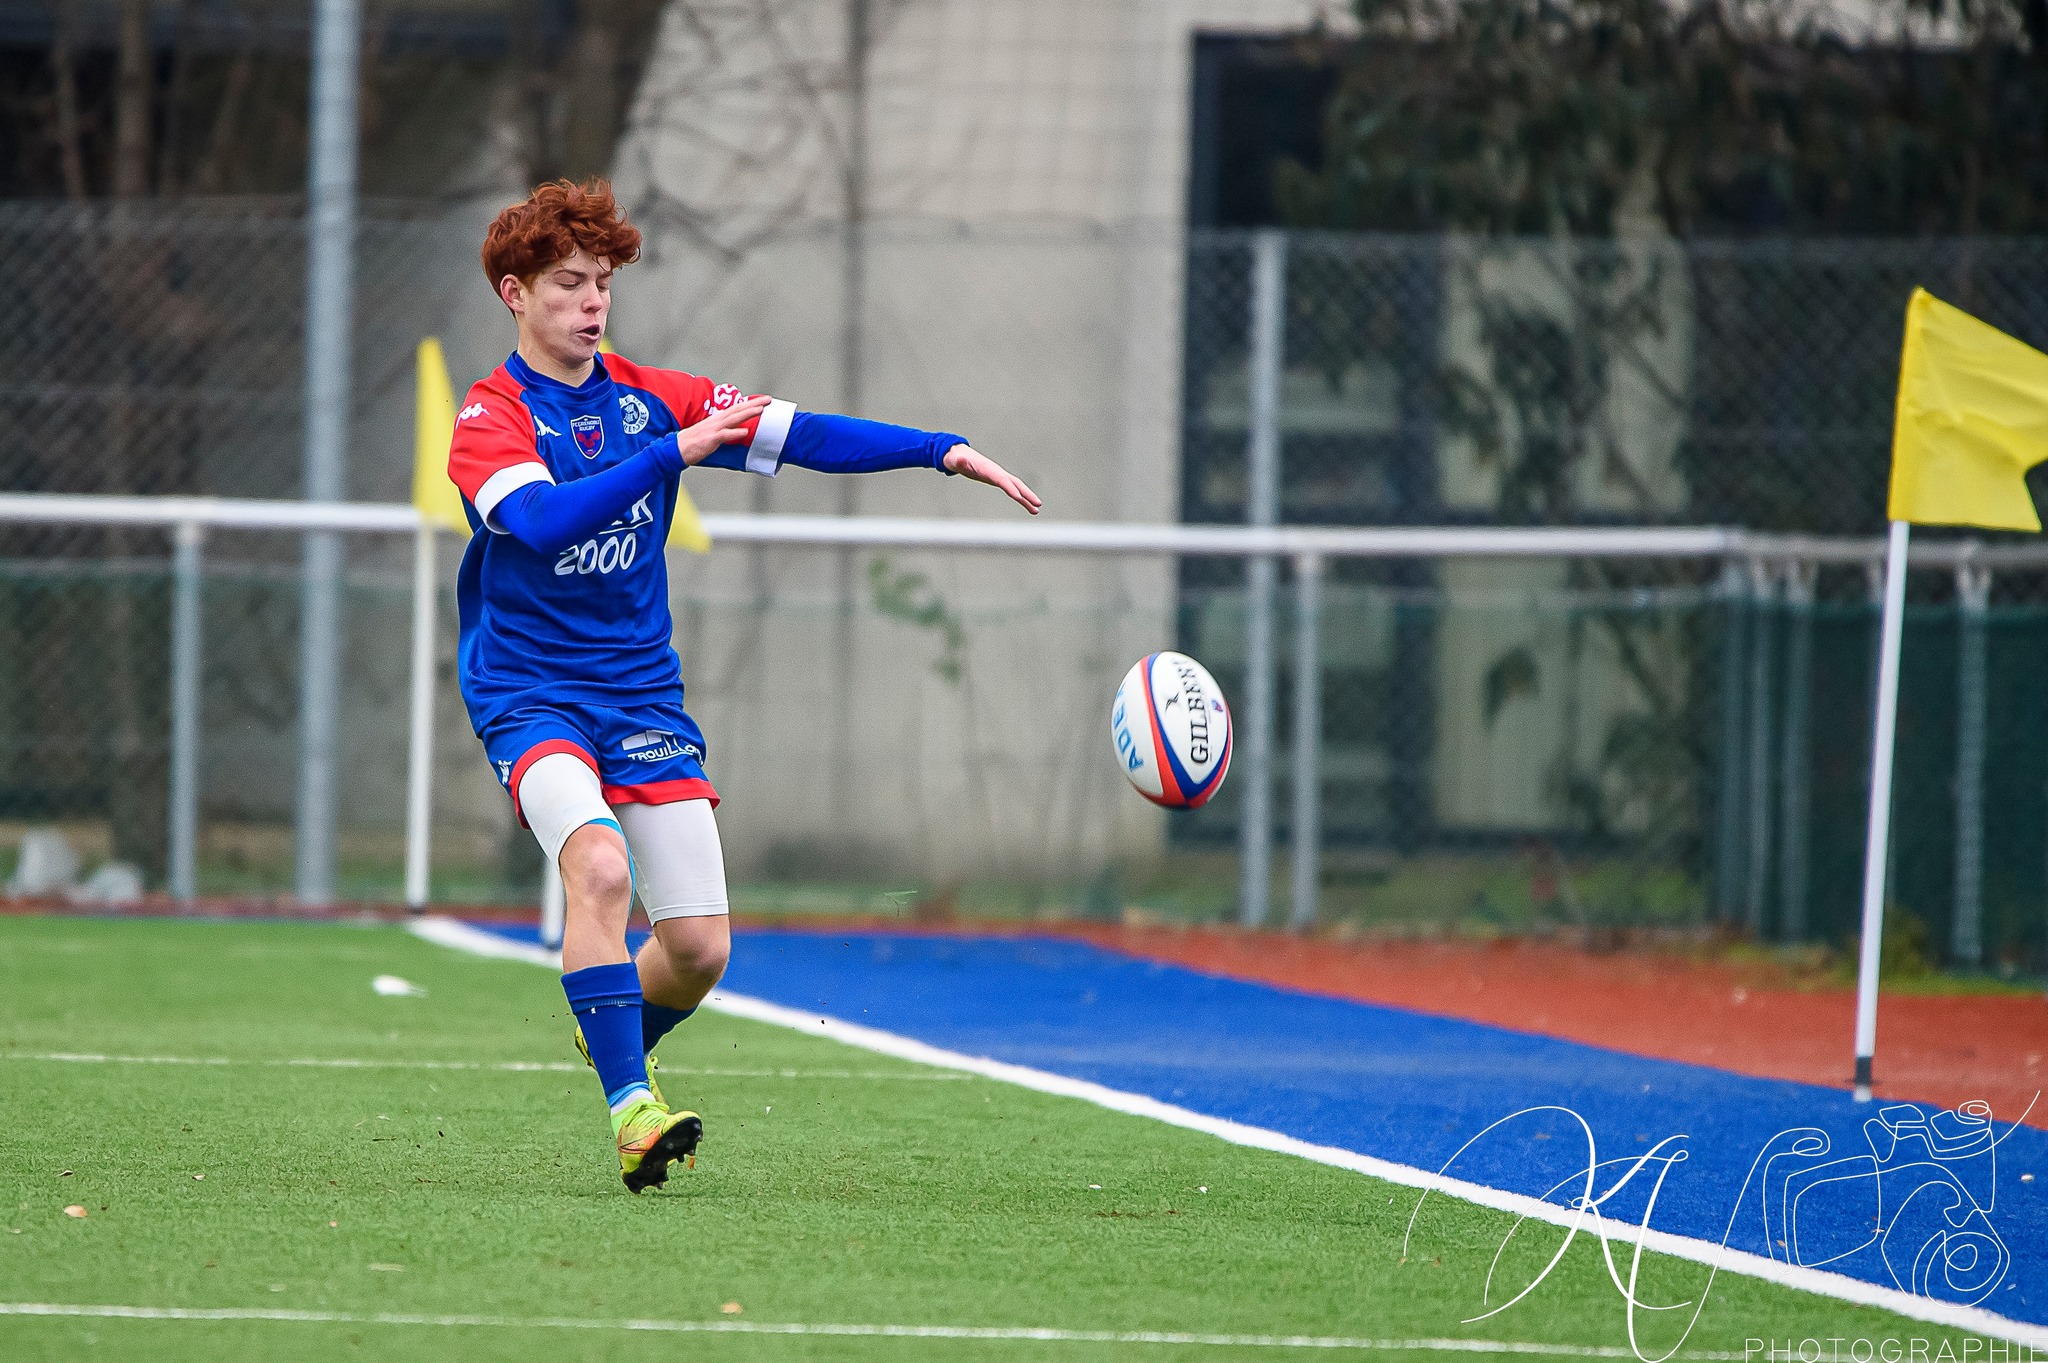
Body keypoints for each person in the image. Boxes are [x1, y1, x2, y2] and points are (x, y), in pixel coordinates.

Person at [446, 178, 1040, 1192]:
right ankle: (633, 1109)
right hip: (530, 690)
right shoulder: (490, 417)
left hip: (640, 696)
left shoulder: (653, 395)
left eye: (602, 285)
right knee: (594, 870)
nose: (591, 303)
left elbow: (801, 431)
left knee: (700, 949)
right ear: (514, 292)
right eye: (567, 285)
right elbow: (542, 523)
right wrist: (668, 456)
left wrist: (939, 450)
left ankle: (615, 1036)